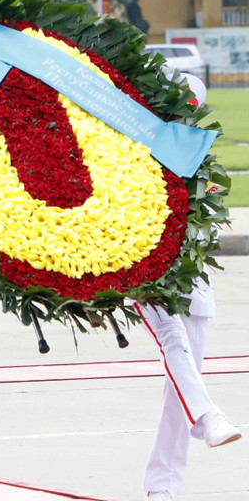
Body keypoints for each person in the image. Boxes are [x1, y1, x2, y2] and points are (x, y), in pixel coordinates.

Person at [135, 74, 240, 501]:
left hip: (193, 283)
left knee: (179, 388)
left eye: (191, 109)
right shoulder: (135, 148)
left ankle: (162, 487)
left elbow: (208, 219)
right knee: (173, 345)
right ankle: (209, 416)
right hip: (145, 276)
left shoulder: (202, 159)